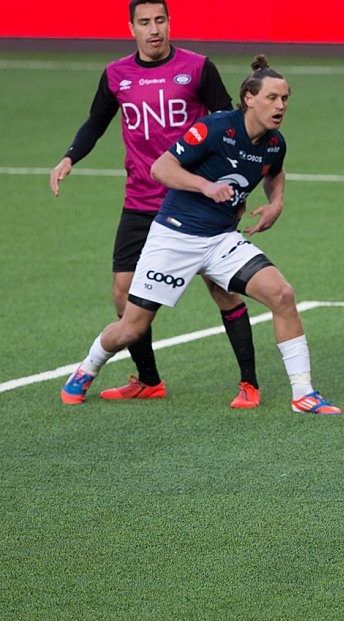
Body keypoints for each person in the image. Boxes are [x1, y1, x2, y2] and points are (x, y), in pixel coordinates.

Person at [61, 55, 341, 416]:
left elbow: (275, 172)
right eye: (272, 98)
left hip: (221, 240)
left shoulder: (275, 143)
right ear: (249, 98)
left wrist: (276, 203)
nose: (280, 106)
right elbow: (161, 168)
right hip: (174, 237)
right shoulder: (214, 128)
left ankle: (303, 394)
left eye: (285, 98)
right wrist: (205, 186)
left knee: (282, 295)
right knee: (131, 328)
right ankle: (87, 368)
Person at [50, 0, 261, 408]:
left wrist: (234, 189)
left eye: (160, 20)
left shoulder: (198, 68)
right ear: (131, 28)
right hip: (141, 201)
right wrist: (69, 158)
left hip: (194, 203)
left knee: (222, 290)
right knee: (123, 293)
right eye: (144, 22)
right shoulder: (116, 74)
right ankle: (148, 380)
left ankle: (249, 383)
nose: (153, 29)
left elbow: (230, 126)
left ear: (169, 23)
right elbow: (96, 122)